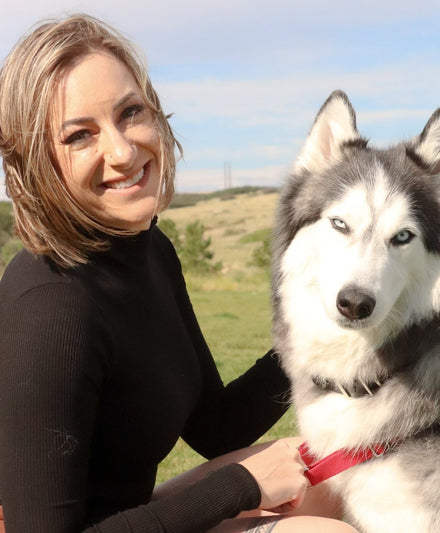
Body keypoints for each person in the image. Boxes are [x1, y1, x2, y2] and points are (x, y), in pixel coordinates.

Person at [0, 14, 357, 533]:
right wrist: (243, 486)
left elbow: (217, 426)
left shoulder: (152, 251)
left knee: (340, 474)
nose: (122, 151)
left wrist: (327, 331)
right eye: (80, 135)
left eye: (130, 112)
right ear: (37, 163)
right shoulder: (51, 307)